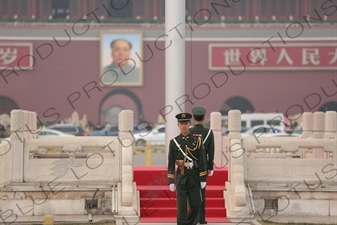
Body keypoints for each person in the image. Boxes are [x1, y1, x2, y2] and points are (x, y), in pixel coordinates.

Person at [167, 112, 207, 225]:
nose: (183, 126)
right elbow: (170, 163)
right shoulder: (174, 143)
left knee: (196, 205)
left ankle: (188, 223)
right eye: (181, 123)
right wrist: (170, 179)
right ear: (178, 125)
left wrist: (203, 177)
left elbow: (202, 159)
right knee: (181, 206)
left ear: (190, 124)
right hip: (181, 177)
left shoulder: (197, 140)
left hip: (194, 176)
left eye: (185, 123)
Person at [190, 107, 215, 225]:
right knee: (201, 193)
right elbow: (211, 151)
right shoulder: (209, 132)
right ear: (204, 118)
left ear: (193, 118)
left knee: (191, 192)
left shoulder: (188, 131)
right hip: (203, 165)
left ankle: (193, 218)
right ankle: (201, 218)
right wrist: (210, 167)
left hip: (190, 165)